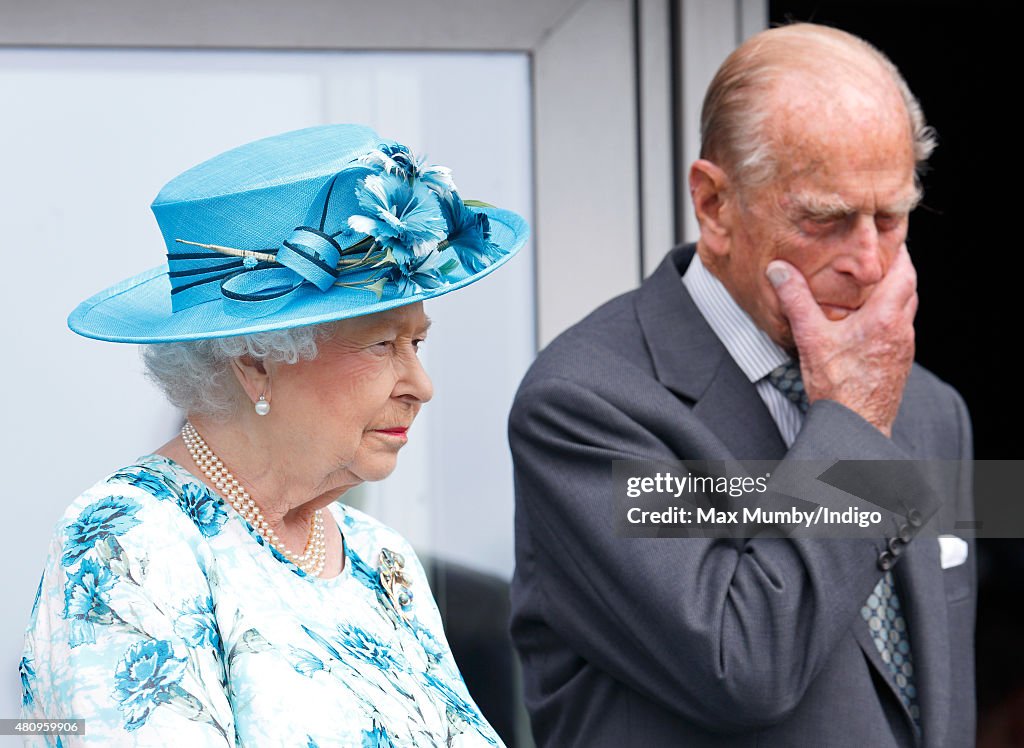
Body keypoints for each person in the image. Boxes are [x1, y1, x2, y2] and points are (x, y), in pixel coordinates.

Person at [509, 23, 974, 747]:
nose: (870, 262)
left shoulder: (931, 410)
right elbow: (743, 664)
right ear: (715, 205)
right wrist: (850, 424)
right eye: (825, 219)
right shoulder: (585, 404)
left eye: (891, 218)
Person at [20, 124, 528, 746]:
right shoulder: (131, 541)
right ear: (256, 361)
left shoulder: (380, 555)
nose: (421, 385)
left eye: (416, 342)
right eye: (381, 344)